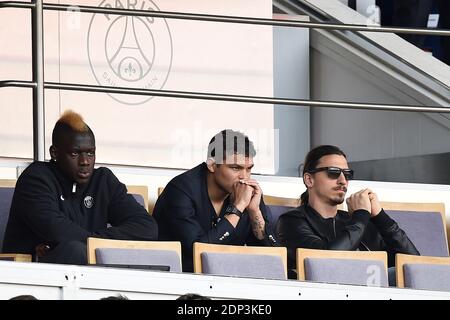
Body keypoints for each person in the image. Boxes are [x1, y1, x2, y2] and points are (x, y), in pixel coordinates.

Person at [2, 110, 158, 264]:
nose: (85, 161)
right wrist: (102, 245)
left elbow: (146, 227)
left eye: (90, 153)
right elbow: (58, 232)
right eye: (75, 153)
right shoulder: (36, 179)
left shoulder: (103, 180)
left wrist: (97, 241)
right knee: (75, 251)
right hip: (32, 274)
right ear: (54, 153)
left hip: (87, 270)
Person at [276, 145, 419, 279]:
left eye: (347, 174)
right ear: (309, 179)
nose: (343, 181)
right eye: (333, 172)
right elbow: (325, 262)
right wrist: (361, 215)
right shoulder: (292, 221)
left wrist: (379, 216)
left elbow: (414, 266)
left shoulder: (357, 221)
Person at [153, 129, 277, 272]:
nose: (244, 177)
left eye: (249, 169)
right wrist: (237, 208)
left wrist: (255, 212)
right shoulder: (180, 190)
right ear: (212, 165)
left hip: (227, 277)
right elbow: (200, 252)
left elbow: (274, 258)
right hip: (180, 279)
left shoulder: (249, 193)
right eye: (235, 168)